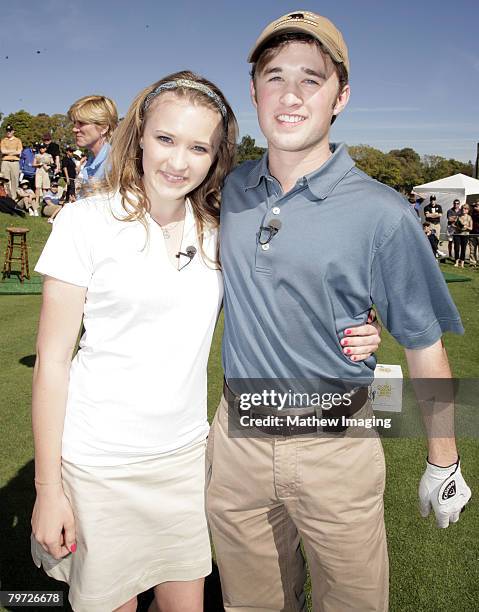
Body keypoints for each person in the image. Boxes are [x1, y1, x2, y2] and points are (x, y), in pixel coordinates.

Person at [30, 70, 380, 612]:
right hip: (98, 461)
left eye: (198, 147)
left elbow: (292, 292)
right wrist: (47, 489)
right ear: (139, 134)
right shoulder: (85, 221)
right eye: (166, 139)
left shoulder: (219, 227)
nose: (177, 161)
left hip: (187, 459)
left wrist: (358, 326)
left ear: (217, 156)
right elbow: (52, 363)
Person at [205, 11, 471, 612]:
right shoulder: (230, 188)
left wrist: (443, 459)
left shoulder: (386, 213)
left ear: (340, 96)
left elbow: (425, 347)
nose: (291, 95)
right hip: (238, 440)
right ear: (253, 91)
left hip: (339, 442)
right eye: (274, 77)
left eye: (312, 79)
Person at [67, 95, 118, 195]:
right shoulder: (91, 162)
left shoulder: (114, 166)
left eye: (81, 123)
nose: (74, 129)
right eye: (74, 123)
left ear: (104, 128)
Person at [0, 124, 23, 199]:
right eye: (7, 131)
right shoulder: (3, 140)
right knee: (5, 179)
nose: (8, 132)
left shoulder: (18, 140)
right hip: (5, 162)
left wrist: (8, 152)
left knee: (15, 180)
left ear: (13, 131)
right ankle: (7, 196)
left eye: (10, 131)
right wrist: (14, 151)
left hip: (15, 162)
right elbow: (3, 151)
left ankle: (14, 197)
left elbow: (19, 152)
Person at [453, 203, 473, 268]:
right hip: (457, 234)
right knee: (456, 248)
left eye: (465, 209)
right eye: (463, 208)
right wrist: (458, 227)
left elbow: (471, 228)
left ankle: (462, 263)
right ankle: (456, 262)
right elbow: (453, 225)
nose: (464, 210)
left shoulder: (469, 217)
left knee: (463, 249)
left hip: (465, 234)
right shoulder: (458, 216)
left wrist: (466, 227)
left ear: (468, 210)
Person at [468, 200, 479, 267]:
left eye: (477, 205)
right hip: (472, 233)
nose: (476, 207)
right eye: (475, 205)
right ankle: (472, 263)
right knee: (472, 250)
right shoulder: (472, 212)